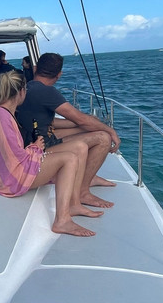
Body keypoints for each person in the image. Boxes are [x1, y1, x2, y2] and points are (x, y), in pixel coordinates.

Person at [0, 71, 102, 237]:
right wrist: (35, 147)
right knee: (69, 159)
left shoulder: (2, 113)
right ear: (21, 91)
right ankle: (62, 220)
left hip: (10, 172)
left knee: (79, 148)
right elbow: (14, 158)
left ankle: (74, 203)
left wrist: (34, 147)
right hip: (11, 180)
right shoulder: (2, 118)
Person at [15, 53, 120, 206]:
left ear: (35, 68)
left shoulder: (28, 87)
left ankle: (89, 176)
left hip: (33, 140)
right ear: (59, 74)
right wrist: (111, 131)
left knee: (86, 129)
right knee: (103, 138)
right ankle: (82, 191)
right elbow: (81, 118)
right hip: (39, 148)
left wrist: (78, 125)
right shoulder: (46, 91)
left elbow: (50, 122)